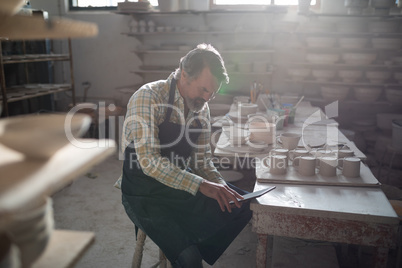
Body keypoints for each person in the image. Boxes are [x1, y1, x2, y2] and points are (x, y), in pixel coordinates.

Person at [120, 43, 252, 267]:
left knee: (242, 206)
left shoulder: (201, 106)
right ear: (184, 74)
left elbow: (201, 161)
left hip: (178, 183)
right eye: (203, 89)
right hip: (144, 191)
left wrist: (220, 185)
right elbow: (150, 163)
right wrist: (201, 185)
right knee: (189, 258)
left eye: (213, 93)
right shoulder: (149, 97)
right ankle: (187, 246)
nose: (208, 98)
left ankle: (191, 240)